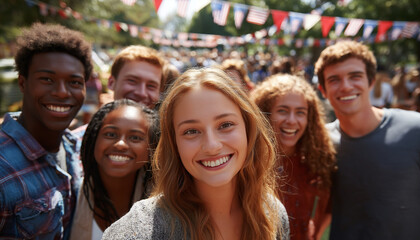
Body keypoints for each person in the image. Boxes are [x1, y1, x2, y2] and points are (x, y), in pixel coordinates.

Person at [102, 68, 290, 239]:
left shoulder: (272, 214)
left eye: (225, 125)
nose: (211, 146)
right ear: (174, 144)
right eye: (191, 131)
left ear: (249, 129)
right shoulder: (138, 231)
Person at [315, 40, 420, 239]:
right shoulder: (319, 142)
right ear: (323, 90)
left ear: (371, 81)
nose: (346, 86)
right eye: (334, 79)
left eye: (355, 76)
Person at [0, 23, 92, 239]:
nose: (62, 92)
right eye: (47, 79)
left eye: (74, 82)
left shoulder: (75, 148)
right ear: (23, 83)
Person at [251, 74, 336, 240]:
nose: (292, 120)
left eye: (300, 112)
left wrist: (315, 234)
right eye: (282, 111)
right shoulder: (248, 162)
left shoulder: (316, 160)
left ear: (309, 118)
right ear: (265, 114)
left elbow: (329, 206)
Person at [70, 99, 158, 239]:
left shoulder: (165, 207)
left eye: (135, 137)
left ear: (151, 149)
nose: (121, 144)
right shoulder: (69, 198)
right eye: (110, 134)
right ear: (93, 140)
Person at [72, 45, 165, 150]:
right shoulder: (74, 145)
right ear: (111, 83)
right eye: (132, 81)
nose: (142, 93)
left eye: (151, 86)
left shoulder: (167, 150)